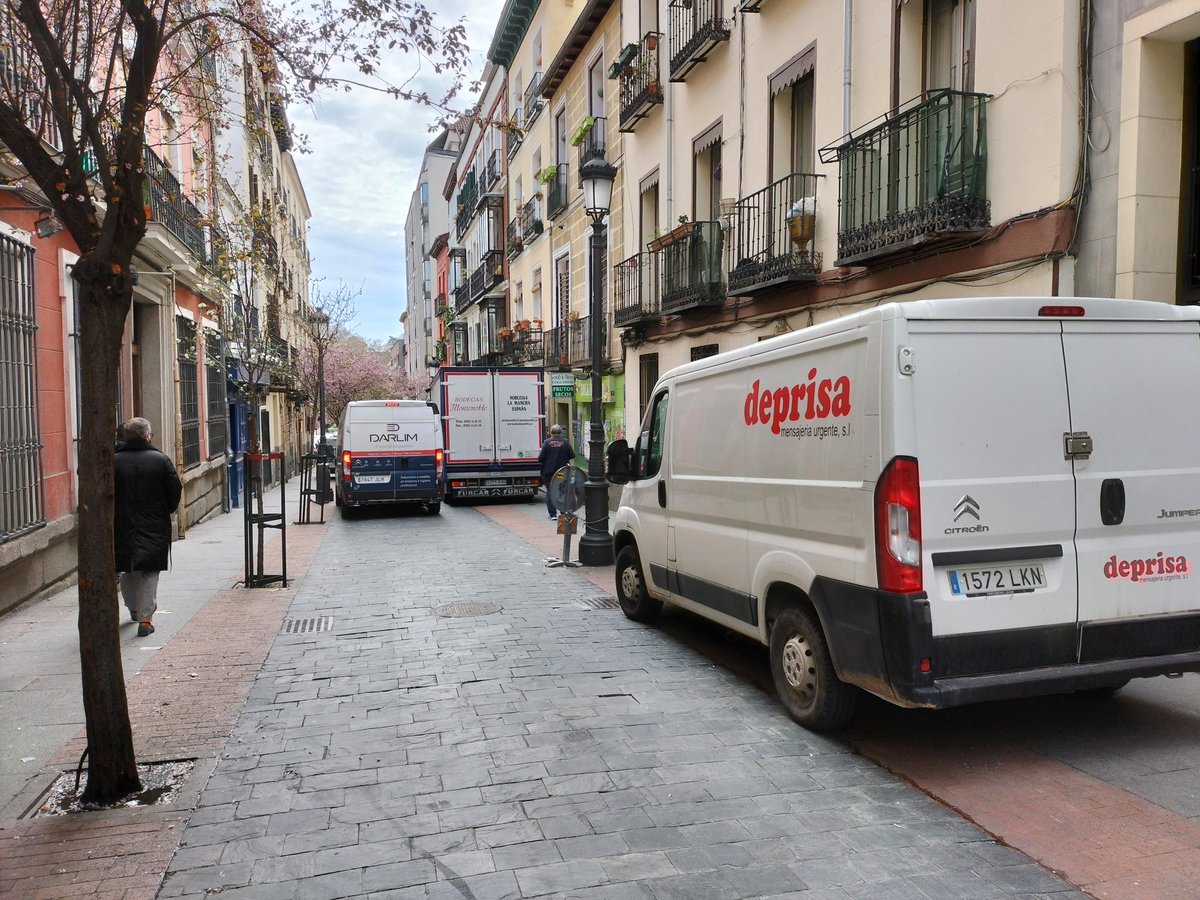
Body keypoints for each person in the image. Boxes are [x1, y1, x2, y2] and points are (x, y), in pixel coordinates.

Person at [114, 417, 182, 637]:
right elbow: (175, 490)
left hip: (121, 522)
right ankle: (145, 618)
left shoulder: (113, 460)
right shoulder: (160, 460)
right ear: (147, 436)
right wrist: (165, 511)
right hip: (154, 523)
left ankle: (133, 608)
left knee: (127, 567)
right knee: (149, 570)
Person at [538, 423, 575, 520]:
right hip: (562, 472)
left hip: (549, 473)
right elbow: (572, 455)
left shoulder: (547, 442)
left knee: (550, 491)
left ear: (551, 432)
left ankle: (553, 514)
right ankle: (563, 512)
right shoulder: (565, 442)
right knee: (562, 491)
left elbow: (540, 458)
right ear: (560, 432)